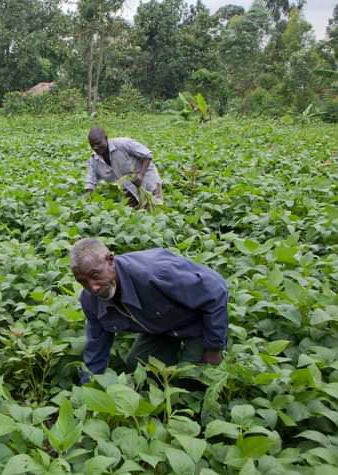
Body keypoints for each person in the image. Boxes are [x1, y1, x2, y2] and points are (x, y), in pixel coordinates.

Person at [70, 238, 228, 383]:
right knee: (138, 362)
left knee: (191, 378)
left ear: (111, 260)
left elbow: (216, 290)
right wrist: (89, 389)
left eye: (95, 275)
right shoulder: (90, 300)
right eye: (83, 281)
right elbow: (97, 348)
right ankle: (164, 386)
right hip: (161, 327)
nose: (93, 287)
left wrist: (214, 348)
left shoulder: (155, 273)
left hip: (196, 324)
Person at [85, 127, 163, 207]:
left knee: (155, 207)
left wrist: (141, 175)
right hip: (128, 188)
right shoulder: (94, 160)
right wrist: (87, 198)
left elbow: (147, 155)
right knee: (136, 211)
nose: (96, 147)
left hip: (147, 179)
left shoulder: (123, 144)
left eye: (98, 143)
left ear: (106, 138)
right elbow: (90, 180)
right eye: (92, 145)